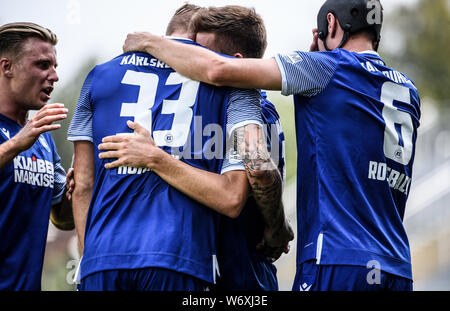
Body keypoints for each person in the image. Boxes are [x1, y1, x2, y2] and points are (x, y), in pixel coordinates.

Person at [123, 0, 421, 291]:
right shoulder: (409, 91)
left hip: (336, 258)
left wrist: (150, 42)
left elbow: (218, 70)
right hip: (396, 264)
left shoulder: (324, 68)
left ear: (330, 23)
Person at [68, 4, 290, 291]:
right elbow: (237, 191)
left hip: (102, 259)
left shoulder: (99, 75)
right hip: (183, 256)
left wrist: (89, 259)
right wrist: (277, 227)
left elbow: (83, 183)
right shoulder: (231, 85)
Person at [0, 22, 74, 291]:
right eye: (43, 65)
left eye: (55, 67)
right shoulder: (28, 137)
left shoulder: (42, 137)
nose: (54, 76)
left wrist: (79, 182)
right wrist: (17, 144)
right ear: (7, 67)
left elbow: (63, 219)